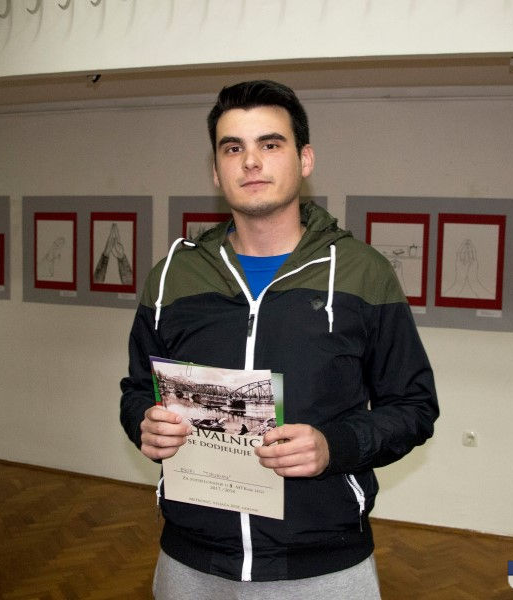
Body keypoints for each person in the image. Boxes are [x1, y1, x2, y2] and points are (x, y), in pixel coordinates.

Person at [119, 80, 439, 599]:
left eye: (270, 144)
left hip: (321, 567)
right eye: (233, 148)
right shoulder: (172, 276)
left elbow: (414, 406)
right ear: (215, 169)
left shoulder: (362, 273)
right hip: (191, 561)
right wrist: (144, 423)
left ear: (304, 159)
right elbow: (137, 389)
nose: (251, 161)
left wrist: (334, 447)